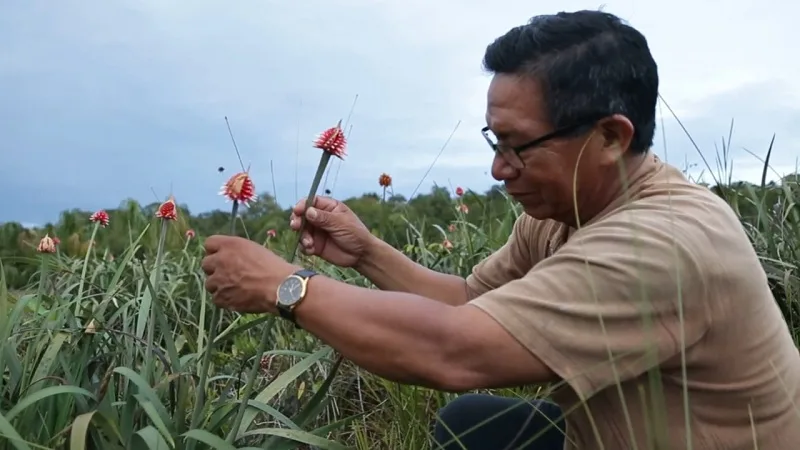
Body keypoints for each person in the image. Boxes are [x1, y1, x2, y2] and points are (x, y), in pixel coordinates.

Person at [200, 9, 800, 450]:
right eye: (494, 141)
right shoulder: (563, 212)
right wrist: (367, 253)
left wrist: (288, 286)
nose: (498, 169)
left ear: (611, 138)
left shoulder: (663, 244)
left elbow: (454, 350)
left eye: (518, 146)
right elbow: (468, 301)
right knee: (469, 425)